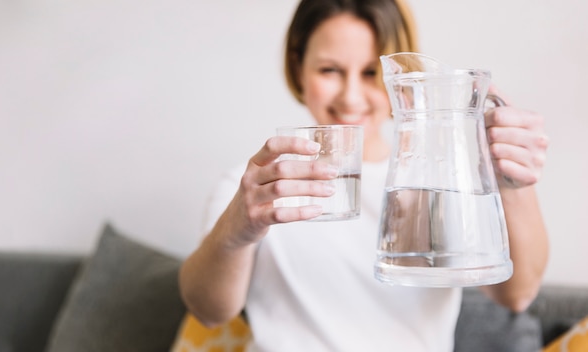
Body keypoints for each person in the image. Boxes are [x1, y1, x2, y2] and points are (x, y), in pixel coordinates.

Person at [179, 0, 550, 350]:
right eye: (330, 70)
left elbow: (516, 295)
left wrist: (511, 182)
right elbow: (209, 312)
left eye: (372, 72)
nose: (352, 96)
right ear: (298, 68)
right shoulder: (256, 190)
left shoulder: (435, 185)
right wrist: (236, 231)